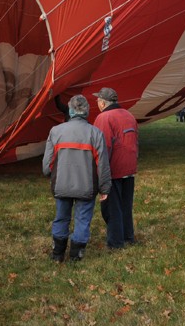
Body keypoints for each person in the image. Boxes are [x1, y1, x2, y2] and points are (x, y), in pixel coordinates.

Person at [42, 94, 111, 262]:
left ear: (70, 110)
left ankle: (57, 254)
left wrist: (52, 175)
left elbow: (47, 165)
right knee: (83, 220)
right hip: (86, 187)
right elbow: (102, 165)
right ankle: (76, 255)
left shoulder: (56, 131)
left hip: (61, 184)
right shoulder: (96, 133)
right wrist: (105, 188)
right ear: (87, 111)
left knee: (61, 217)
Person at [92, 87, 139, 249]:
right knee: (126, 205)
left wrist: (99, 172)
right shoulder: (129, 115)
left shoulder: (104, 118)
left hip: (114, 170)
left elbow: (103, 147)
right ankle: (128, 236)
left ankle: (115, 242)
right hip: (130, 168)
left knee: (112, 208)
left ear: (102, 103)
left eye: (98, 101)